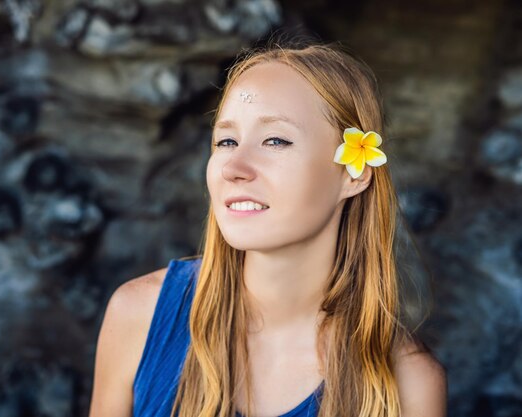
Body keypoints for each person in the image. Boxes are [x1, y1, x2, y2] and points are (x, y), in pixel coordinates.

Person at [88, 40, 448, 417]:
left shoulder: (408, 385)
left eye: (275, 140)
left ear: (353, 174)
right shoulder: (139, 317)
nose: (234, 167)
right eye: (226, 141)